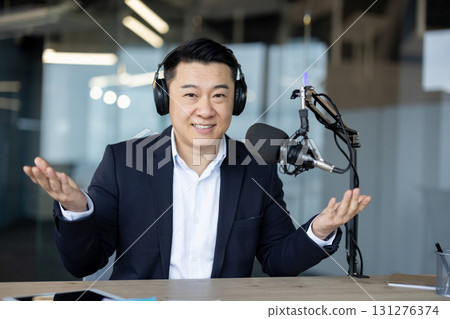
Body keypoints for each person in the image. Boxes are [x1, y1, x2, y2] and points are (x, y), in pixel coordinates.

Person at [23, 38, 371, 279]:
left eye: (220, 95)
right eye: (190, 94)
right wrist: (76, 210)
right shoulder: (124, 162)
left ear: (236, 102)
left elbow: (276, 261)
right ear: (165, 100)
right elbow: (84, 262)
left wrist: (319, 231)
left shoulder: (256, 168)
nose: (205, 110)